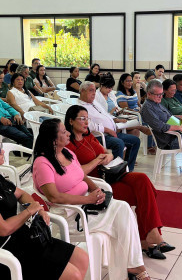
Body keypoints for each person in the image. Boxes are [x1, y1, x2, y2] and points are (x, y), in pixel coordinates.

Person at [0, 129, 88, 280]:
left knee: (82, 258)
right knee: (73, 275)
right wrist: (28, 212)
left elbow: (21, 194)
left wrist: (37, 208)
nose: (2, 151)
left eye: (0, 146)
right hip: (5, 255)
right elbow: (3, 229)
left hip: (26, 239)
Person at [32, 119, 151, 280]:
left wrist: (96, 190)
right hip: (70, 215)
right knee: (122, 216)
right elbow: (54, 196)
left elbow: (82, 176)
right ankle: (134, 268)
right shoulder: (42, 163)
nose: (68, 133)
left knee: (124, 208)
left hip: (87, 206)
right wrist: (88, 199)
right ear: (53, 139)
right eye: (63, 131)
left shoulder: (67, 153)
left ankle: (133, 267)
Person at [64, 105, 175, 259]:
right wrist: (97, 160)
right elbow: (77, 172)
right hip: (98, 183)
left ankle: (149, 237)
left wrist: (106, 157)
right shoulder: (68, 144)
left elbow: (106, 153)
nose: (86, 122)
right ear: (70, 121)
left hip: (111, 173)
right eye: (82, 119)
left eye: (87, 118)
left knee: (143, 180)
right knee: (145, 195)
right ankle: (150, 237)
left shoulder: (89, 137)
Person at [78, 81, 141, 171]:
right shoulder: (80, 107)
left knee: (135, 140)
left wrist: (116, 120)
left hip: (111, 133)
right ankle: (115, 172)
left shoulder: (94, 102)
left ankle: (128, 170)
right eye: (91, 91)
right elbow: (89, 126)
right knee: (118, 143)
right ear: (83, 91)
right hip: (99, 136)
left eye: (95, 91)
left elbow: (106, 114)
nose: (94, 94)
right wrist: (107, 129)